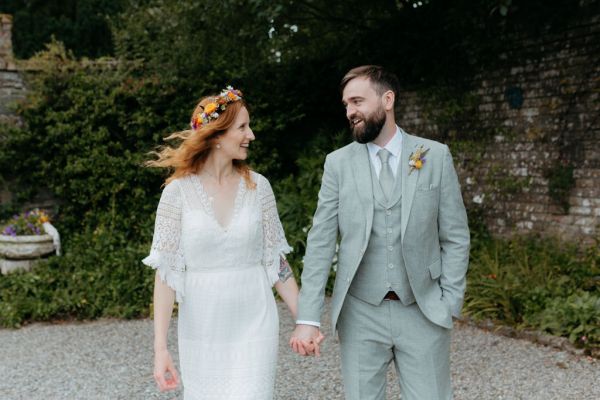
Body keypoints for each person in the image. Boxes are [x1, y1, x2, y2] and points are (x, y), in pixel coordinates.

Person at [290, 66, 470, 400]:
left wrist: (450, 300)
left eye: (357, 101)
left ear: (387, 99)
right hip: (360, 313)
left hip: (424, 310)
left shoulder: (435, 156)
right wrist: (308, 318)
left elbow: (456, 236)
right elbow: (320, 242)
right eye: (346, 104)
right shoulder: (338, 164)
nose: (350, 112)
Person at [143, 86, 300, 399]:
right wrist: (161, 350)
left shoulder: (260, 187)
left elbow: (275, 261)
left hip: (255, 323)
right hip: (202, 329)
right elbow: (166, 274)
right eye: (242, 127)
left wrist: (305, 320)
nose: (251, 135)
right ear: (216, 135)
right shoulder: (176, 193)